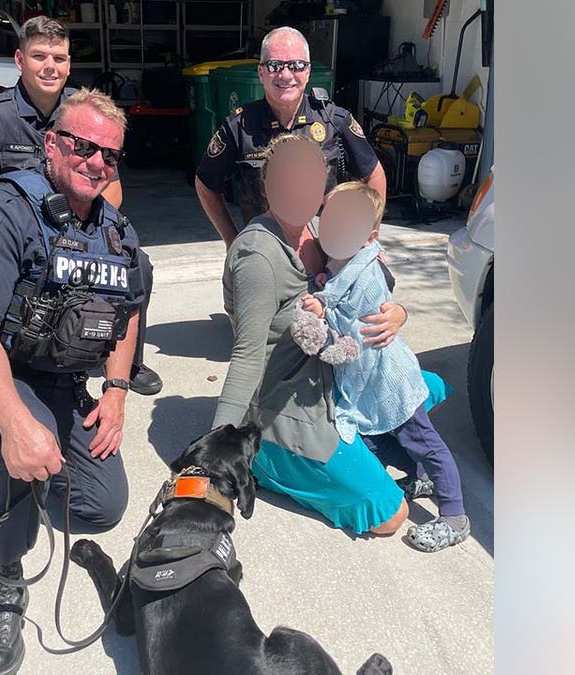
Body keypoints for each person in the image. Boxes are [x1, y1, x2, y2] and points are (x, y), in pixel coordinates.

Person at [0, 90, 147, 675]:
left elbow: (128, 312)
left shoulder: (116, 232)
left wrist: (118, 391)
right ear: (51, 144)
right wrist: (14, 425)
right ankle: (1, 584)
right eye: (82, 144)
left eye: (110, 155)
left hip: (57, 380)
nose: (96, 162)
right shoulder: (0, 213)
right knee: (19, 439)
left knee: (101, 505)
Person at [0, 16, 161, 396]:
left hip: (76, 235)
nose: (51, 67)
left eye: (59, 58)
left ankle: (125, 363)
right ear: (19, 60)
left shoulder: (82, 109)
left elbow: (112, 188)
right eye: (39, 56)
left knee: (136, 263)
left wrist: (87, 236)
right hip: (18, 240)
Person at [211, 134, 409, 537]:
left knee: (424, 389)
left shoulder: (321, 228)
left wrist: (398, 314)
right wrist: (215, 457)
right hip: (284, 406)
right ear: (266, 185)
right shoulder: (258, 257)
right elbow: (247, 356)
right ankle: (264, 461)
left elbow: (374, 278)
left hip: (335, 377)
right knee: (391, 515)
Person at [296, 182, 470, 551]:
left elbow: (355, 340)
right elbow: (334, 291)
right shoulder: (340, 263)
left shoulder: (369, 275)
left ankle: (455, 515)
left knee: (425, 443)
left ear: (369, 235)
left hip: (389, 382)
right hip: (368, 385)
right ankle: (421, 478)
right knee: (378, 441)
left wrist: (322, 322)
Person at [194, 26, 387, 247]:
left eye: (296, 65)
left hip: (327, 254)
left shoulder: (335, 120)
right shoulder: (239, 126)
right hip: (264, 253)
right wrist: (232, 241)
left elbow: (375, 176)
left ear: (308, 72)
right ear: (261, 73)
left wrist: (370, 238)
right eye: (275, 66)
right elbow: (205, 183)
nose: (286, 75)